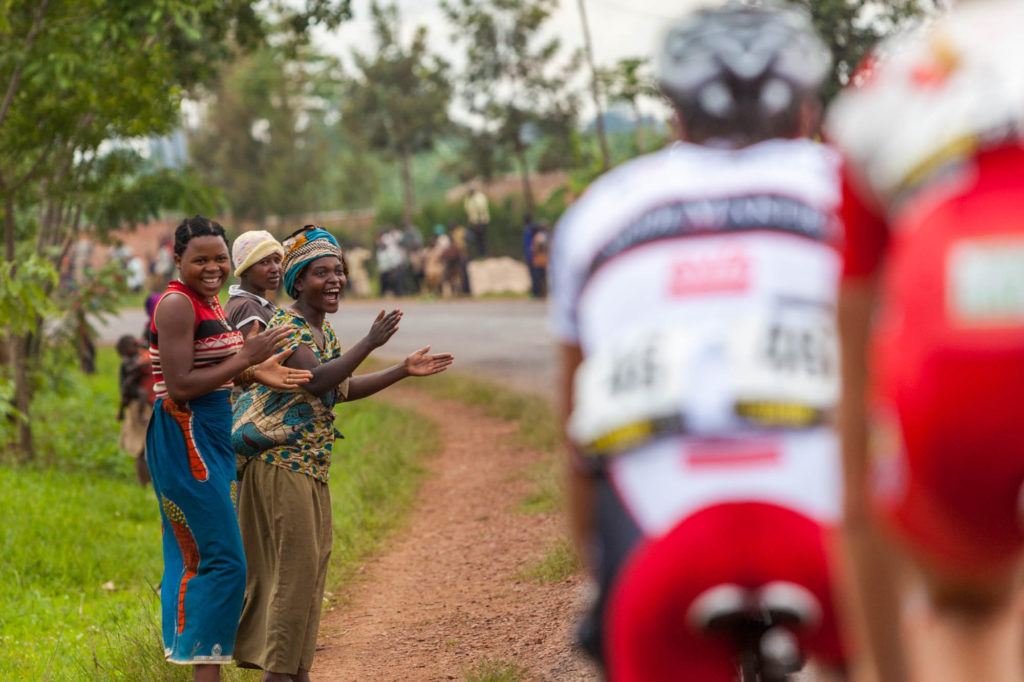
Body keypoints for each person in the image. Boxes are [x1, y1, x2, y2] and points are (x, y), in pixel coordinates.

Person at [549, 5, 845, 679]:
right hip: (824, 540)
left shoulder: (598, 212)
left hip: (663, 550)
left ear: (675, 117)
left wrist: (604, 583)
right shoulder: (846, 185)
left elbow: (575, 435)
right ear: (806, 111)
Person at [827, 2, 1024, 680]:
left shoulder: (887, 74)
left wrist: (884, 668)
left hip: (956, 366)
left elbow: (854, 402)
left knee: (972, 612)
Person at [231, 226, 453, 680]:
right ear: (297, 281)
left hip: (308, 468)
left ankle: (297, 672)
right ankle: (280, 673)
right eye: (320, 272)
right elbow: (317, 380)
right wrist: (370, 343)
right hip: (279, 467)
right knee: (292, 580)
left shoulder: (321, 330)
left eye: (339, 270)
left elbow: (341, 387)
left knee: (310, 576)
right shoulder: (285, 328)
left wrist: (403, 370)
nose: (334, 280)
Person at [145, 216, 312, 681]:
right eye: (200, 259)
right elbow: (179, 386)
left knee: (208, 557)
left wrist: (256, 372)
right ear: (178, 260)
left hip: (211, 432)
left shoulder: (208, 302)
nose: (213, 267)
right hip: (187, 435)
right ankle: (204, 671)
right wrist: (245, 358)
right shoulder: (176, 305)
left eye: (220, 258)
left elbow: (211, 369)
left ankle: (204, 665)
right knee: (222, 562)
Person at [224, 230, 285, 338]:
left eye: (277, 260)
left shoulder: (238, 302)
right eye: (264, 262)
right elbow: (258, 354)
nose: (275, 268)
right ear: (245, 269)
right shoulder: (248, 307)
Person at [116, 334, 156, 486]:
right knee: (142, 447)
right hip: (140, 406)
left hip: (147, 405)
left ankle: (148, 483)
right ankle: (144, 484)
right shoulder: (130, 363)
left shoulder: (141, 357)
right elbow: (126, 387)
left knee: (148, 447)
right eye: (134, 345)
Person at [463, 186, 490, 258]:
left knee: (482, 239)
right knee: (476, 239)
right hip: (473, 222)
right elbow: (468, 211)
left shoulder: (479, 197)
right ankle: (480, 255)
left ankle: (484, 255)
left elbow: (481, 210)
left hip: (481, 222)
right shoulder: (468, 198)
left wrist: (480, 222)